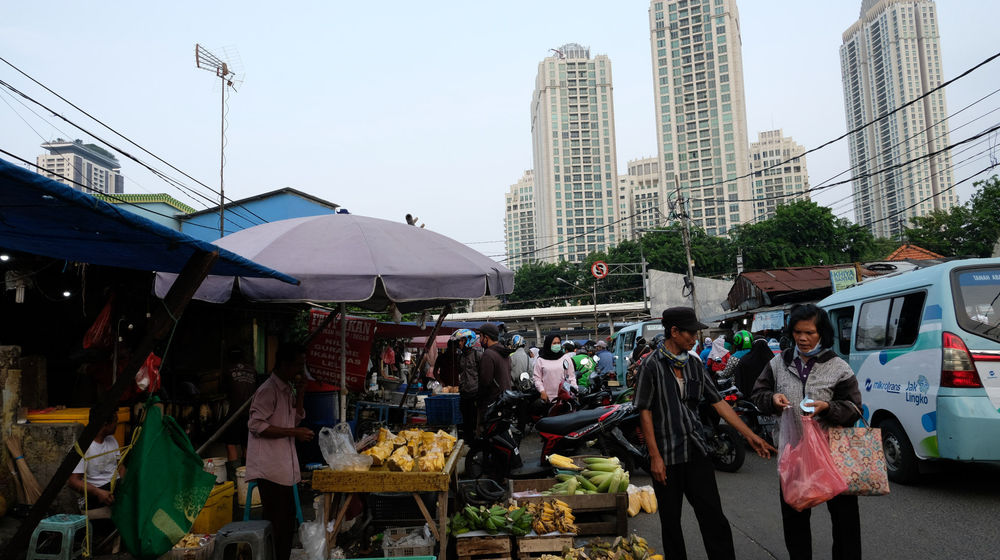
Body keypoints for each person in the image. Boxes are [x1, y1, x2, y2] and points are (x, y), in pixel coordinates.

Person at [635, 307, 776, 560]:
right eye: (690, 333)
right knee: (671, 522)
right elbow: (644, 410)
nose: (694, 338)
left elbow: (718, 402)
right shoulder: (651, 365)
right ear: (675, 331)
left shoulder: (694, 364)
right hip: (666, 454)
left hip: (696, 449)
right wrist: (654, 456)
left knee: (713, 517)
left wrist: (750, 435)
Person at [750, 303, 862, 560]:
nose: (802, 338)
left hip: (833, 457)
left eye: (809, 332)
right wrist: (772, 399)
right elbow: (758, 394)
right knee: (795, 520)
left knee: (845, 523)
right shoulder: (779, 362)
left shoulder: (838, 367)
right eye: (798, 332)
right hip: (794, 456)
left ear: (822, 333)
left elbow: (855, 408)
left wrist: (827, 407)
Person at [246, 342, 315, 560]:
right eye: (298, 365)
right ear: (285, 365)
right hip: (270, 468)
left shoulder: (286, 389)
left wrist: (301, 394)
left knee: (286, 521)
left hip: (284, 467)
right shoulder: (268, 390)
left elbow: (294, 418)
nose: (301, 371)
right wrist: (294, 433)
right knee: (278, 522)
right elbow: (256, 425)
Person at [223, 346, 258, 481]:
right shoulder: (253, 371)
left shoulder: (227, 371)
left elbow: (223, 392)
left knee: (231, 445)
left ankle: (234, 481)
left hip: (234, 413)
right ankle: (247, 478)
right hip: (250, 413)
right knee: (247, 445)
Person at [452, 328, 482, 441]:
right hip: (464, 394)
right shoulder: (460, 356)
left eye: (461, 340)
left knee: (475, 421)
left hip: (474, 394)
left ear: (468, 340)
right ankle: (468, 442)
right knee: (466, 421)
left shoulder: (478, 356)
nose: (459, 343)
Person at [532, 334, 575, 411]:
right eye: (554, 343)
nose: (557, 345)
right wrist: (542, 391)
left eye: (558, 343)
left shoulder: (565, 358)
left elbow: (571, 376)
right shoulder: (540, 360)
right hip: (548, 398)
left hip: (565, 398)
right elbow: (537, 378)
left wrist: (574, 391)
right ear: (548, 344)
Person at [477, 323, 513, 411]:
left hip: (493, 403)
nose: (480, 340)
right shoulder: (504, 352)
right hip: (506, 399)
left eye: (481, 336)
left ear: (486, 337)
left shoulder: (488, 354)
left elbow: (485, 382)